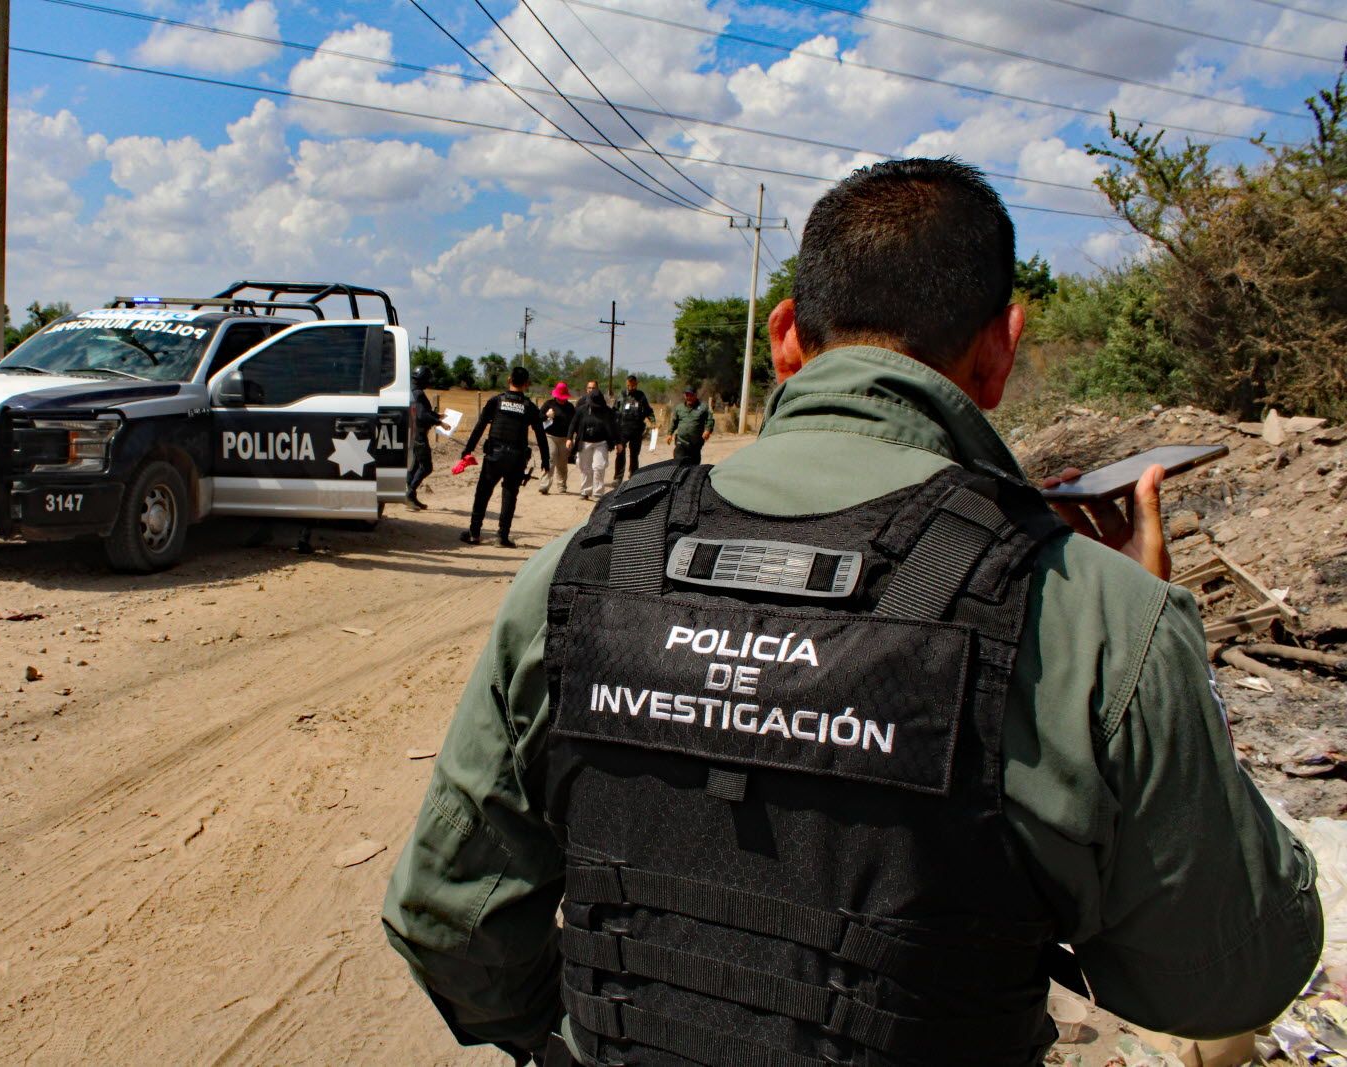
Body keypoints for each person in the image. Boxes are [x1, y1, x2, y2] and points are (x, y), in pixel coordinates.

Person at [384, 158, 1320, 1066]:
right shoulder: (1102, 619)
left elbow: (445, 918)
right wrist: (1143, 639)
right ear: (1001, 348)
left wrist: (573, 1036)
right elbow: (1227, 979)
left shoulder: (582, 570)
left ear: (786, 337)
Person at [459, 365, 550, 548]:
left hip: (494, 455)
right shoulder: (529, 407)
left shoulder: (496, 401)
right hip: (516, 459)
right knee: (509, 495)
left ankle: (474, 533)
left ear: (509, 380)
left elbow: (480, 426)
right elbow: (540, 434)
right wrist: (545, 460)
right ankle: (502, 537)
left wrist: (468, 450)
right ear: (526, 384)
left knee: (483, 493)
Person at [567, 387, 616, 501]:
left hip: (601, 443)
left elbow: (614, 427)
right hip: (585, 442)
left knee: (599, 467)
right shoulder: (581, 410)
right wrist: (569, 438)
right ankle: (585, 491)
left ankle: (598, 493)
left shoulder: (607, 411)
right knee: (585, 468)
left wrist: (618, 442)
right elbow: (573, 424)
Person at [405, 364, 443, 510]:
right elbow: (421, 416)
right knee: (426, 467)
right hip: (419, 436)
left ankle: (411, 498)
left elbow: (421, 412)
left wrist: (436, 415)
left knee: (414, 466)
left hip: (412, 434)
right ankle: (410, 493)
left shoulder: (411, 392)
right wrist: (439, 422)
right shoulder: (419, 393)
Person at [611, 374, 654, 486]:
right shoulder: (621, 395)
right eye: (629, 385)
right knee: (620, 453)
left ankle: (634, 476)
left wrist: (653, 422)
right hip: (622, 430)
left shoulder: (641, 396)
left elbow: (648, 410)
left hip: (636, 430)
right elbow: (614, 411)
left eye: (633, 385)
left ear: (636, 384)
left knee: (634, 454)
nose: (631, 387)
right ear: (626, 384)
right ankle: (618, 478)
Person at [538, 381, 576, 495]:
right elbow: (538, 418)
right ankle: (544, 485)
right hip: (550, 436)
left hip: (564, 438)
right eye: (560, 397)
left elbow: (573, 424)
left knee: (562, 463)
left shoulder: (570, 407)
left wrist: (570, 438)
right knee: (550, 459)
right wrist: (547, 415)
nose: (562, 399)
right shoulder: (548, 404)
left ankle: (562, 485)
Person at [666, 384, 713, 465]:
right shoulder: (679, 408)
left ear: (695, 395)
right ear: (684, 395)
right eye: (687, 395)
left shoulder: (703, 407)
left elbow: (710, 420)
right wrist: (669, 434)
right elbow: (674, 422)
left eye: (691, 395)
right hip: (681, 442)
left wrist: (707, 430)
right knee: (678, 464)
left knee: (694, 466)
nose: (689, 397)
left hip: (695, 444)